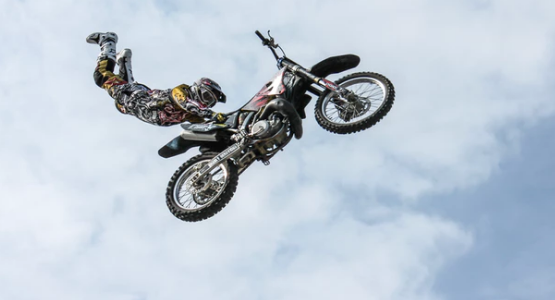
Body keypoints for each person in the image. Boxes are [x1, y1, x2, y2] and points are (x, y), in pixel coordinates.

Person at [86, 32, 227, 126]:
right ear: (197, 88)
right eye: (206, 96)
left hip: (138, 99)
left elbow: (204, 126)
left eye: (210, 102)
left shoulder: (190, 114)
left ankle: (124, 60)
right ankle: (108, 41)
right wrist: (212, 114)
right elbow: (186, 102)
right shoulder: (181, 92)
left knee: (123, 93)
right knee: (101, 76)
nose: (205, 102)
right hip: (137, 97)